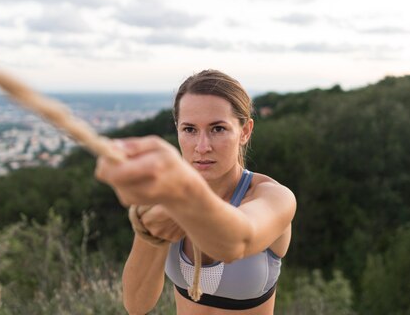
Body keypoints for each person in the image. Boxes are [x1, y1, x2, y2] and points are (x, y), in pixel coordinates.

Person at [95, 70, 296, 314]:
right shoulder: (168, 202)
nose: (202, 147)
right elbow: (136, 304)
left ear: (244, 132)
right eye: (190, 129)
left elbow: (237, 242)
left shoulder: (274, 197)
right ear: (177, 130)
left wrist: (182, 196)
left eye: (218, 129)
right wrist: (151, 231)